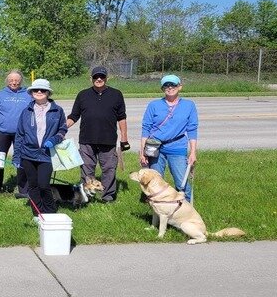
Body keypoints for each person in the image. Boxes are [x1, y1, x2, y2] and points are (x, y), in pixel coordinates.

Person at [66, 66, 129, 202]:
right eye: (95, 77)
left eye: (101, 76)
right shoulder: (82, 95)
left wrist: (124, 138)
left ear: (106, 78)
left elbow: (122, 117)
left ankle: (107, 197)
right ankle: (85, 197)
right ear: (91, 79)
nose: (99, 79)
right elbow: (74, 116)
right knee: (86, 170)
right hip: (86, 140)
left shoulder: (116, 94)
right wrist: (60, 128)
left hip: (108, 140)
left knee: (109, 170)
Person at [13, 79, 68, 216]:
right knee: (33, 186)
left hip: (46, 155)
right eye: (35, 90)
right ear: (31, 93)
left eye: (42, 90)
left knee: (44, 185)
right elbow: (19, 134)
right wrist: (17, 156)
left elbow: (63, 129)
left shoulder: (57, 110)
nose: (39, 92)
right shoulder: (26, 111)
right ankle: (37, 214)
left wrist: (55, 139)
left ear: (48, 93)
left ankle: (50, 213)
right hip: (28, 154)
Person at [140, 74, 198, 202]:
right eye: (166, 85)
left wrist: (193, 152)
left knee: (181, 182)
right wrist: (142, 152)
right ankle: (157, 210)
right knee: (154, 181)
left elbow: (192, 129)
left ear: (180, 87)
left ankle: (186, 210)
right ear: (162, 88)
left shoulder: (189, 105)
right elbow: (146, 129)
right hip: (155, 147)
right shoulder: (154, 105)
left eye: (173, 85)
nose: (170, 87)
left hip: (177, 147)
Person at [0, 70, 31, 196]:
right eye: (11, 80)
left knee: (22, 161)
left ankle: (24, 190)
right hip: (1, 133)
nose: (14, 82)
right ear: (7, 81)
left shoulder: (28, 95)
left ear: (21, 81)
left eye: (16, 80)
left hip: (22, 134)